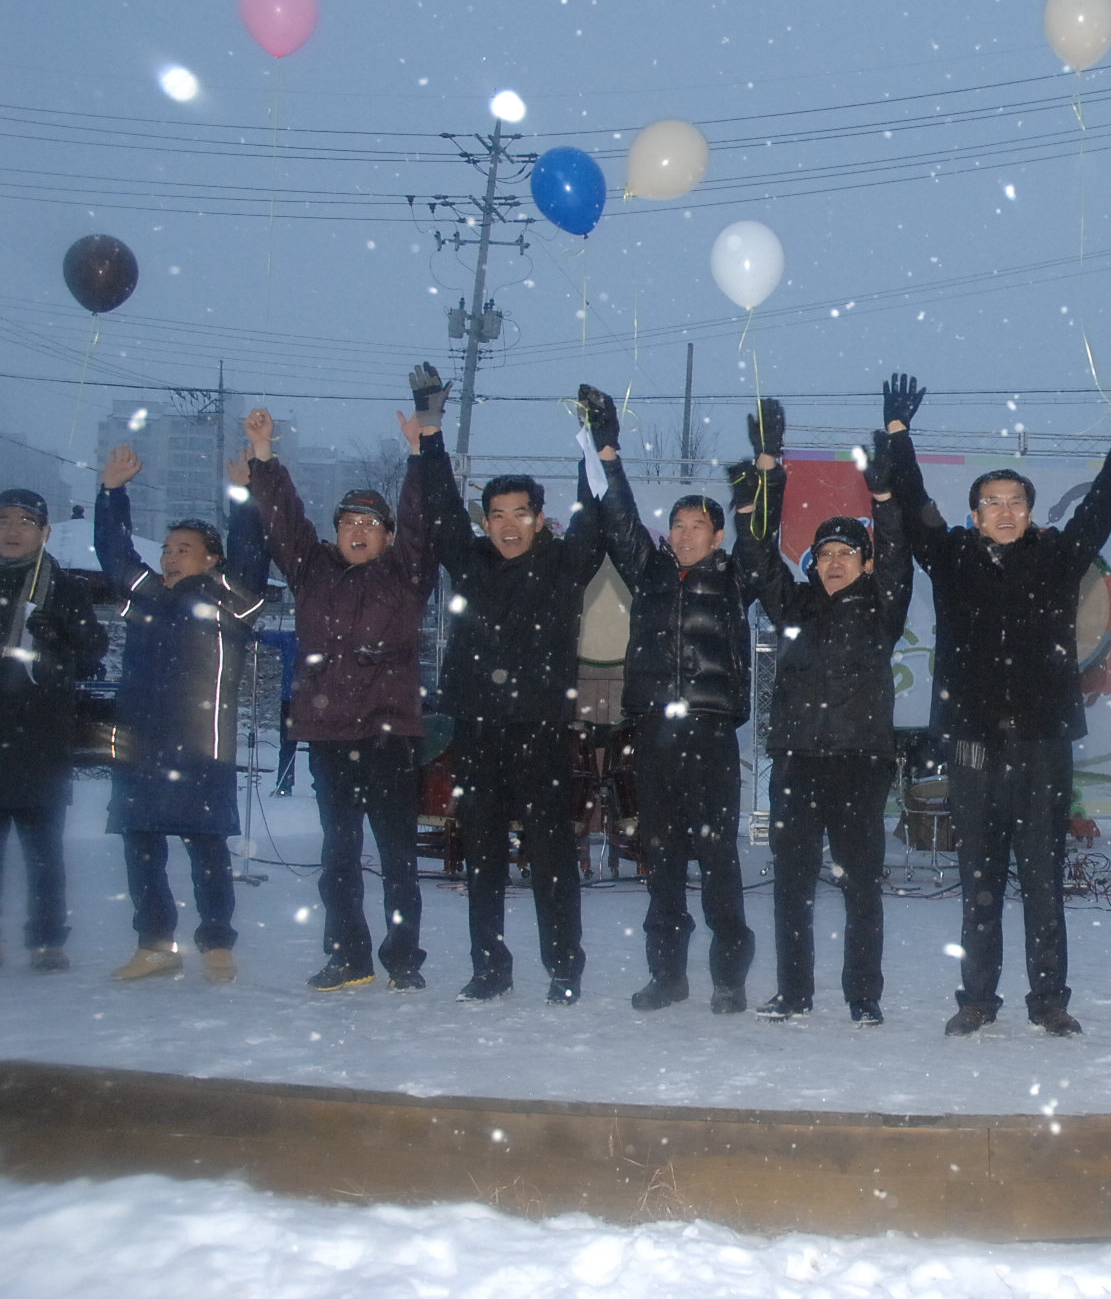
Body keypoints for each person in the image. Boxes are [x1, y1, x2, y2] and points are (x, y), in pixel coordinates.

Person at [886, 372, 1111, 1037]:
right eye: (992, 503)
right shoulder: (949, 556)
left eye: (1016, 502)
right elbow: (911, 501)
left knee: (1042, 877)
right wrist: (897, 435)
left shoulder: (1057, 557)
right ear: (974, 514)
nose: (1005, 512)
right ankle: (976, 998)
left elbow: (1103, 505)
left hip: (1042, 739)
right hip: (973, 738)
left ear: (1030, 511)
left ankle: (1049, 999)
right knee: (979, 876)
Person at [237, 373, 442, 993]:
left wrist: (420, 454)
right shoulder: (312, 571)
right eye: (349, 521)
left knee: (398, 856)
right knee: (338, 855)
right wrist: (263, 456)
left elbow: (422, 523)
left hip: (387, 735)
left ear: (387, 535)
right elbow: (283, 522)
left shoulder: (406, 574)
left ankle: (403, 959)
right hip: (328, 735)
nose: (357, 531)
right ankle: (349, 956)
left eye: (370, 523)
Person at [583, 384, 761, 1014]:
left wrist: (760, 485)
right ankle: (668, 975)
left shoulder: (735, 577)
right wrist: (607, 451)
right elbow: (619, 520)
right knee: (660, 860)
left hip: (710, 734)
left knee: (717, 859)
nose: (685, 535)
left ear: (717, 535)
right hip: (655, 731)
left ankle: (728, 977)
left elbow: (760, 543)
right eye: (678, 525)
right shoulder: (651, 572)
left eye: (697, 527)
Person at [419, 399, 604, 1004]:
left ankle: (564, 968)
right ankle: (490, 967)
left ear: (539, 519)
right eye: (496, 515)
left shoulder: (565, 565)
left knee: (551, 855)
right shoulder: (470, 563)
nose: (507, 526)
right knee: (483, 856)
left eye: (519, 514)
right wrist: (431, 436)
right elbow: (441, 511)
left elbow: (595, 512)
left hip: (540, 731)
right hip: (478, 730)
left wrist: (594, 438)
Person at [732, 427, 913, 1025]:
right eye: (825, 554)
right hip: (797, 761)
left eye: (846, 554)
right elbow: (758, 562)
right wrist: (759, 492)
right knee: (792, 885)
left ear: (865, 563)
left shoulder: (883, 608)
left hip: (860, 763)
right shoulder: (795, 605)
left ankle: (864, 996)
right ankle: (794, 991)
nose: (834, 563)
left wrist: (883, 499)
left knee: (861, 886)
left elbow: (898, 551)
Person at [95, 444, 269, 983]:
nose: (170, 557)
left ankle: (216, 943)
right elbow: (114, 552)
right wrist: (111, 493)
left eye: (184, 549)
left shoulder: (229, 599)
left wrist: (245, 494)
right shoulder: (144, 594)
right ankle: (155, 944)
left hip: (200, 748)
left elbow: (252, 553)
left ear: (212, 558)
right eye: (168, 549)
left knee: (207, 849)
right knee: (141, 848)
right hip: (139, 745)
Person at [0, 487, 108, 974]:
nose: (12, 530)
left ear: (44, 532)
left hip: (40, 737)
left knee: (44, 851)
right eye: (4, 520)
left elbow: (93, 652)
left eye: (25, 521)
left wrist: (62, 634)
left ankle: (47, 939)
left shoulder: (64, 587)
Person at [255, 627, 303, 796]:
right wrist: (256, 633)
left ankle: (320, 786)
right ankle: (284, 784)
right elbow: (264, 636)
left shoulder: (316, 638)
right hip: (293, 699)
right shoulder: (290, 638)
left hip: (311, 700)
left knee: (317, 745)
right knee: (288, 744)